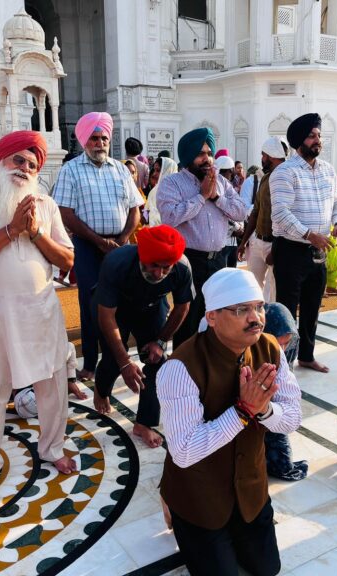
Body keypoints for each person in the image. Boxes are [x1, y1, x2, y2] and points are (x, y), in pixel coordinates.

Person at [0, 131, 76, 498]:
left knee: (53, 390)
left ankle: (52, 449)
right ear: (2, 161)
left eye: (33, 164)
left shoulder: (46, 206)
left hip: (40, 314)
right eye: (18, 160)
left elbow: (67, 261)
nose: (25, 169)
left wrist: (35, 232)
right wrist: (11, 230)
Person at [157, 267, 302, 576]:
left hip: (250, 488)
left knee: (267, 569)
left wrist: (263, 411)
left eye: (259, 306)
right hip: (199, 496)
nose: (256, 318)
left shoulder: (270, 348)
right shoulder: (180, 367)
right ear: (212, 317)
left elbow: (292, 418)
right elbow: (183, 452)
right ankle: (171, 500)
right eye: (241, 310)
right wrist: (242, 412)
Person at [53, 112, 143, 381]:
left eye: (104, 137)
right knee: (91, 304)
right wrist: (98, 241)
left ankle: (118, 357)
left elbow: (135, 209)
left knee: (123, 300)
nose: (100, 143)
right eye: (94, 138)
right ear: (84, 141)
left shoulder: (119, 169)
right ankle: (91, 363)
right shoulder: (71, 169)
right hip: (88, 246)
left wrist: (123, 239)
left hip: (119, 245)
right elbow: (66, 213)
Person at [93, 225, 193, 447]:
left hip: (151, 308)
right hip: (114, 309)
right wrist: (125, 362)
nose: (159, 273)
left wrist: (160, 341)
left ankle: (144, 423)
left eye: (166, 269)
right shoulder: (116, 262)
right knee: (112, 358)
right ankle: (101, 391)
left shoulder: (183, 268)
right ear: (142, 256)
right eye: (153, 266)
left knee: (158, 362)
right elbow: (106, 317)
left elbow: (182, 307)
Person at [157, 127, 248, 348]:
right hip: (188, 261)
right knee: (188, 319)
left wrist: (216, 197)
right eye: (200, 154)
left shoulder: (222, 184)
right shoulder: (172, 183)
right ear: (188, 157)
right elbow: (170, 217)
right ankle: (183, 371)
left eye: (208, 153)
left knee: (216, 317)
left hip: (218, 260)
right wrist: (201, 197)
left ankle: (210, 366)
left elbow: (241, 212)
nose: (206, 158)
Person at [270, 112, 337, 373]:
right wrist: (308, 234)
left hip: (319, 250)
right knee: (288, 310)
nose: (318, 141)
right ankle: (284, 364)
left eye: (319, 136)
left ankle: (306, 355)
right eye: (312, 136)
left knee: (313, 306)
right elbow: (280, 212)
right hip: (291, 251)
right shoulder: (284, 172)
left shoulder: (327, 169)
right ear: (298, 141)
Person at [261, 302, 308, 481]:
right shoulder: (248, 346)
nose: (281, 350)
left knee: (282, 466)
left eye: (285, 343)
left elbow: (284, 395)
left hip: (268, 409)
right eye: (275, 343)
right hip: (243, 412)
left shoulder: (292, 343)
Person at [237, 137, 288, 303]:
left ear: (270, 156)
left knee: (274, 291)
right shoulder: (265, 179)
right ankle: (256, 320)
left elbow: (287, 217)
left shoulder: (288, 178)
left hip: (277, 245)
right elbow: (256, 212)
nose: (262, 158)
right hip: (258, 241)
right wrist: (244, 241)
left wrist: (276, 249)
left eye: (263, 155)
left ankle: (271, 325)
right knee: (253, 286)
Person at [144, 156, 177, 226]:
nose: (154, 174)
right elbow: (146, 213)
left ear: (168, 170)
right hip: (154, 233)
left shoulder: (177, 192)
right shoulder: (153, 191)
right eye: (154, 170)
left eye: (158, 170)